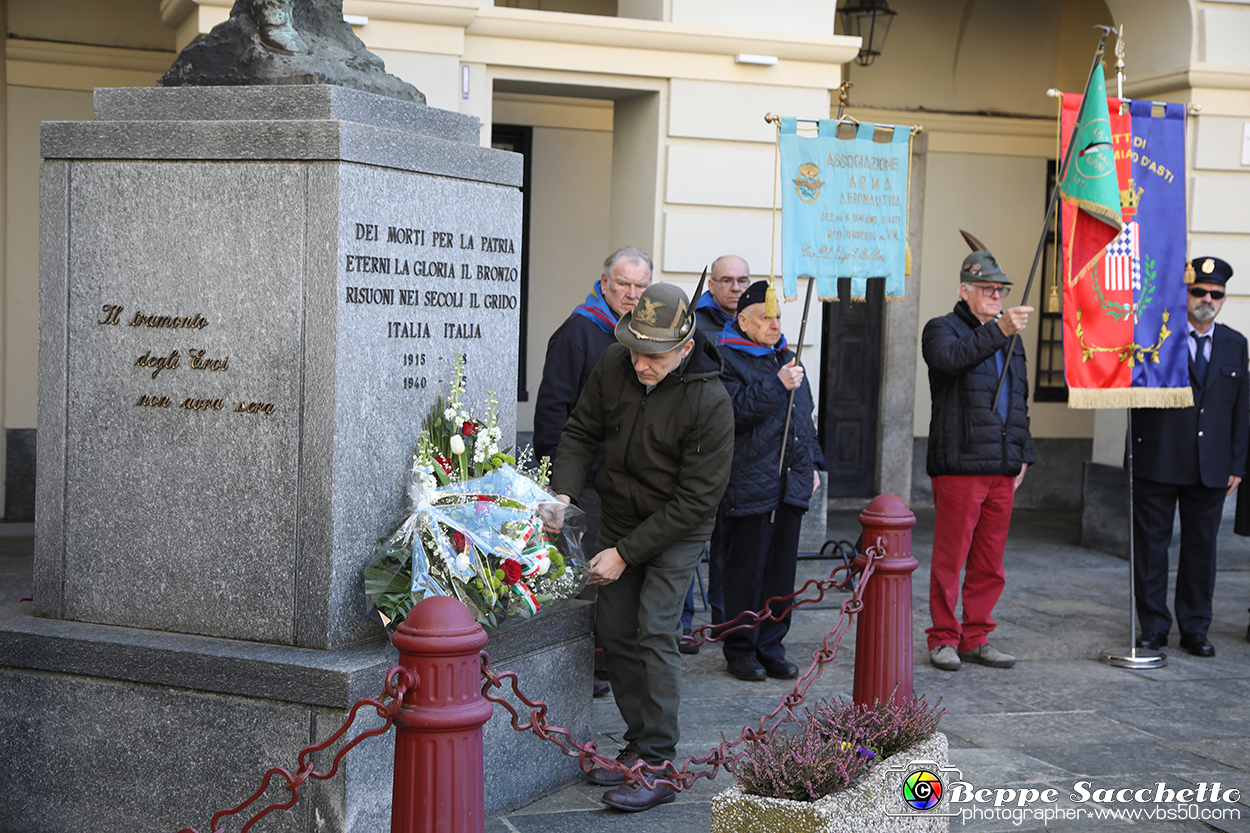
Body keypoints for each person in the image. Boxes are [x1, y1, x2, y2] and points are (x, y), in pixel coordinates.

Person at [550, 282, 733, 812]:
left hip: (677, 527)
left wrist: (626, 553)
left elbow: (695, 502)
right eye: (633, 347)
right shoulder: (613, 364)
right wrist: (563, 493)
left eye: (652, 355)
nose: (639, 363)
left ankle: (658, 761)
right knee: (613, 628)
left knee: (654, 627)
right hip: (620, 514)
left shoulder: (710, 401)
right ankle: (637, 741)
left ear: (684, 349)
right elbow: (582, 431)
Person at [532, 247, 652, 695]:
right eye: (623, 283)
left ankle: (610, 662)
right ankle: (584, 666)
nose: (632, 294)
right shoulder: (578, 333)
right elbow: (552, 417)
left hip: (631, 484)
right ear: (604, 283)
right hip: (587, 486)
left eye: (641, 286)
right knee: (588, 578)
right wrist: (567, 488)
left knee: (620, 576)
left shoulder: (643, 336)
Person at [921, 245, 1034, 672]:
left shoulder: (1009, 338)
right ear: (964, 291)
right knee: (951, 558)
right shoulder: (942, 329)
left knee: (990, 561)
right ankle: (943, 638)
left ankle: (977, 635)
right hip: (962, 462)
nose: (996, 296)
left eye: (1000, 289)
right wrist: (999, 330)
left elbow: (1019, 400)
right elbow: (950, 362)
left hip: (1002, 465)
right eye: (987, 289)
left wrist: (1024, 453)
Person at [1133, 256, 1247, 657]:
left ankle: (1195, 628)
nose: (1207, 300)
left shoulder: (1235, 343)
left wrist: (1237, 464)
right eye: (1199, 291)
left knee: (1201, 552)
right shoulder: (1157, 334)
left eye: (1215, 294)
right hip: (1160, 458)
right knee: (1151, 549)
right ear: (1186, 294)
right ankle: (1152, 627)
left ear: (1223, 299)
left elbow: (1240, 409)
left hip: (1210, 466)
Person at [715, 280, 823, 681]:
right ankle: (740, 648)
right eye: (765, 317)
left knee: (781, 571)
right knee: (745, 570)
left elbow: (805, 417)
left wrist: (812, 463)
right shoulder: (725, 358)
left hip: (790, 481)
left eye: (778, 316)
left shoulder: (789, 359)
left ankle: (771, 645)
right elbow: (733, 414)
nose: (775, 324)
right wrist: (776, 384)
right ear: (742, 321)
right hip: (749, 481)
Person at [678, 254, 752, 652]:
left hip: (740, 453)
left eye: (742, 280)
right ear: (712, 286)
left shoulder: (758, 323)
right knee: (689, 542)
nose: (736, 287)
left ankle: (726, 621)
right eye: (727, 280)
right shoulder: (692, 321)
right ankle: (684, 625)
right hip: (698, 448)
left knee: (730, 547)